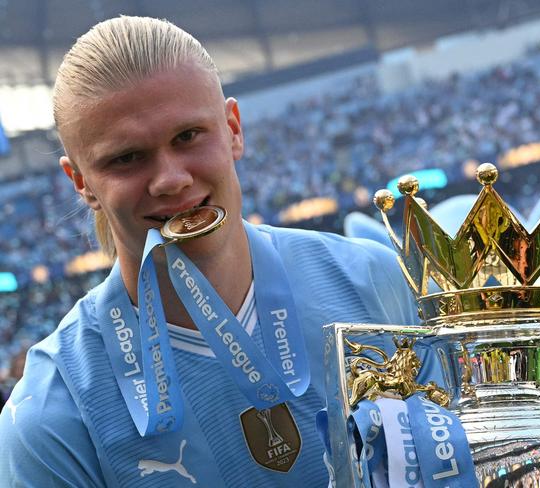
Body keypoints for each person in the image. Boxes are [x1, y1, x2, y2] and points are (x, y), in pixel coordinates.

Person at [0, 16, 418, 486]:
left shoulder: (373, 279)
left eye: (188, 136)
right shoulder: (52, 415)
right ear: (82, 184)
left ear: (233, 128)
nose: (171, 179)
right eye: (126, 158)